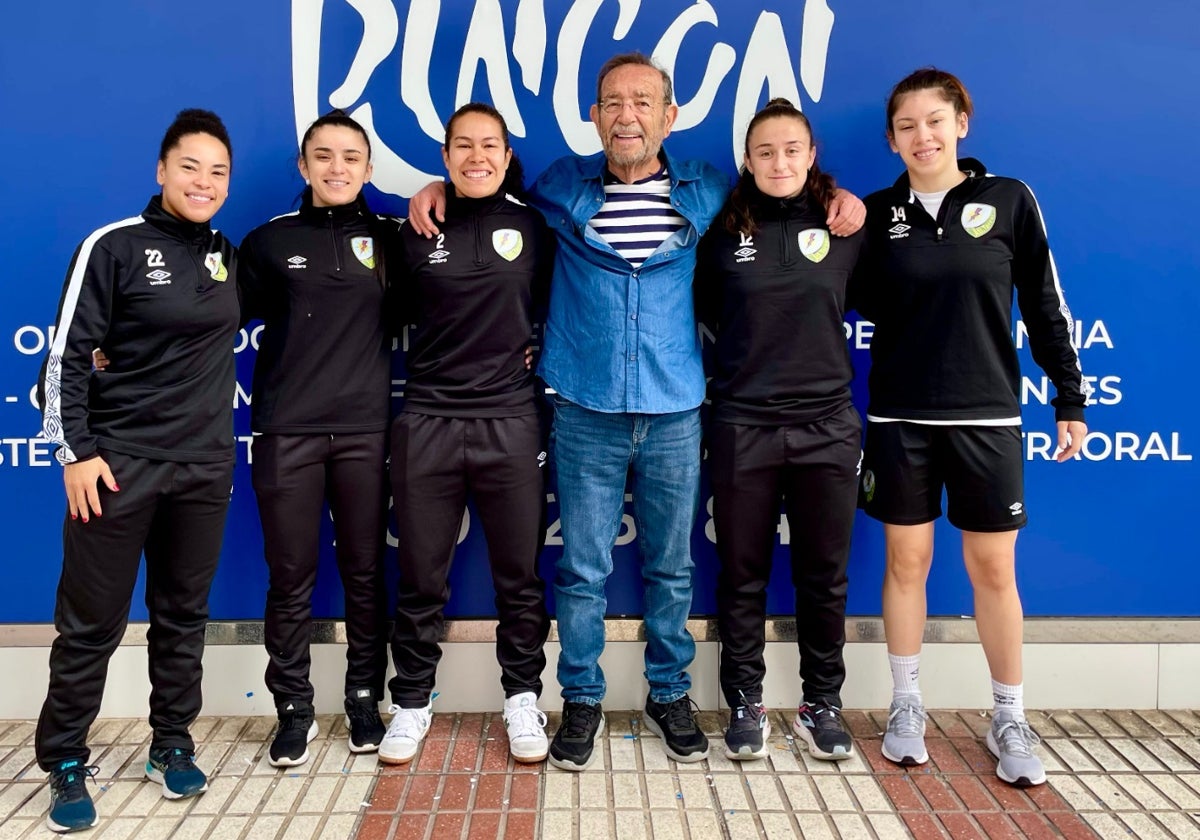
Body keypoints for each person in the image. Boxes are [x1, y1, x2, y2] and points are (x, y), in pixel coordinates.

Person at [408, 53, 864, 772]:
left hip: (677, 408)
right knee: (583, 570)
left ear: (669, 115)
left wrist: (839, 197)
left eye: (643, 102)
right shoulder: (560, 186)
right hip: (586, 406)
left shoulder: (711, 191)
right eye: (613, 102)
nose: (627, 115)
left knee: (671, 568)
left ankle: (669, 693)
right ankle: (582, 698)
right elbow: (485, 189)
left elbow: (785, 198)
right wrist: (434, 184)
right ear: (595, 116)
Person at [857, 68, 1087, 787]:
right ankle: (904, 706)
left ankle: (1009, 715)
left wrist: (1069, 398)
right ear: (891, 140)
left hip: (987, 414)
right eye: (906, 126)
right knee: (907, 565)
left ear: (962, 123)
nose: (921, 136)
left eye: (934, 120)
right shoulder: (872, 215)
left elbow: (1046, 305)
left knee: (994, 569)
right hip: (899, 417)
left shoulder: (1008, 200)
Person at [35, 109, 239, 832]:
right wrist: (76, 452)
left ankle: (170, 742)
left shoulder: (227, 254)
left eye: (218, 172)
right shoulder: (114, 246)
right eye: (190, 167)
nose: (204, 182)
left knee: (183, 619)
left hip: (203, 469)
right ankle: (63, 760)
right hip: (118, 469)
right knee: (91, 625)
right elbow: (63, 358)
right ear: (161, 169)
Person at [379, 103, 553, 765]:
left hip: (509, 418)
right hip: (427, 418)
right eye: (463, 146)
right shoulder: (414, 226)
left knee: (520, 575)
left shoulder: (536, 228)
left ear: (507, 156)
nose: (476, 157)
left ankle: (522, 698)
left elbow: (558, 307)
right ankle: (414, 701)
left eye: (490, 146)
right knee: (422, 574)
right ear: (445, 156)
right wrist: (427, 196)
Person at [695, 99, 864, 763]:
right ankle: (745, 700)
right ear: (747, 160)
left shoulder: (847, 224)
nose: (779, 162)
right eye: (766, 151)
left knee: (824, 575)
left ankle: (823, 701)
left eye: (792, 149)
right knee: (742, 574)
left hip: (827, 425)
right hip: (744, 423)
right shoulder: (722, 229)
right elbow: (705, 311)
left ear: (812, 153)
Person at [238, 111, 393, 766]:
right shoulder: (268, 242)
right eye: (323, 157)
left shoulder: (392, 240)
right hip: (286, 431)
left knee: (364, 572)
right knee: (291, 576)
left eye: (351, 157)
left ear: (367, 168)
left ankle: (364, 701)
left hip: (365, 431)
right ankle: (293, 709)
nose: (337, 168)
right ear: (304, 168)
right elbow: (210, 322)